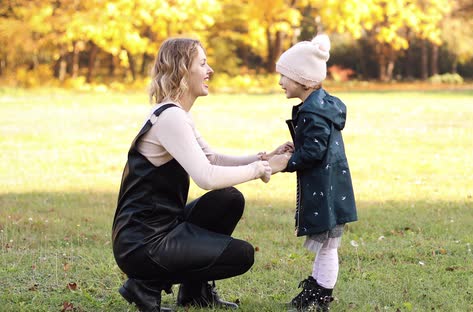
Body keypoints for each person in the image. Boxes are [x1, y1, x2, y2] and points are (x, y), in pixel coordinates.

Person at [112, 37, 291, 312]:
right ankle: (144, 285)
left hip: (160, 229)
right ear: (183, 69)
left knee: (228, 199)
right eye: (203, 63)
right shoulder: (170, 117)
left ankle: (195, 293)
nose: (210, 71)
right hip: (143, 242)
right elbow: (205, 176)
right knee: (240, 255)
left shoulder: (176, 113)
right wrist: (259, 171)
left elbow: (212, 158)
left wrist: (263, 158)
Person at [273, 34, 358, 311]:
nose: (280, 82)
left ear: (304, 80)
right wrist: (294, 147)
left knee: (328, 245)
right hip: (330, 186)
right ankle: (318, 287)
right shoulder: (319, 107)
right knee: (326, 245)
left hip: (326, 190)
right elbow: (312, 144)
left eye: (285, 76)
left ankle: (321, 293)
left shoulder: (313, 113)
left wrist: (287, 162)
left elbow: (313, 152)